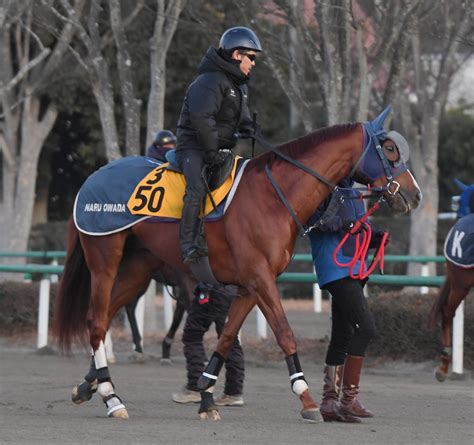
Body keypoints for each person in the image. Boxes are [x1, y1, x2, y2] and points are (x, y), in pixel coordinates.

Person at [307, 132, 406, 423]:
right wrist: (346, 223)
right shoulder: (324, 186)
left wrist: (375, 238)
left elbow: (354, 228)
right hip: (335, 267)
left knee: (343, 334)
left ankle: (329, 402)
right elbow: (314, 223)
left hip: (352, 266)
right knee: (367, 328)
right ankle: (348, 399)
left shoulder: (350, 188)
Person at [175, 26, 263, 263]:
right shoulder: (209, 81)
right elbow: (202, 120)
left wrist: (251, 129)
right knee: (196, 190)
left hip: (219, 148)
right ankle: (188, 246)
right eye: (251, 57)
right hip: (193, 147)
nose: (253, 63)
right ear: (236, 55)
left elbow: (241, 119)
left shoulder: (240, 86)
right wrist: (212, 152)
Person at [172, 289, 245, 406]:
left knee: (192, 335)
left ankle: (194, 388)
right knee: (230, 340)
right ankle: (234, 392)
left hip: (210, 292)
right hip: (233, 294)